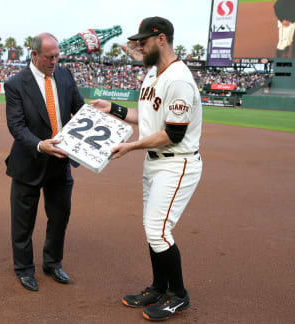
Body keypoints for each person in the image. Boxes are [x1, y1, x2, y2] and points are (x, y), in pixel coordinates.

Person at [91, 17, 202, 321]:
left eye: (144, 41)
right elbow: (148, 119)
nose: (139, 46)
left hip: (176, 162)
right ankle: (158, 287)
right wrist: (111, 109)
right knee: (153, 230)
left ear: (162, 39)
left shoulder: (178, 78)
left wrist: (130, 147)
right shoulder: (154, 74)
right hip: (155, 163)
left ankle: (179, 296)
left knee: (158, 230)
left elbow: (173, 134)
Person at [4, 33, 85, 292]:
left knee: (60, 217)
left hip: (60, 161)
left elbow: (80, 111)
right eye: (49, 57)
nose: (54, 61)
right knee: (23, 221)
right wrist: (41, 145)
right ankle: (25, 269)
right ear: (35, 55)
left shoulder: (64, 75)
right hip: (30, 160)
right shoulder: (16, 84)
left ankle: (52, 263)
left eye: (57, 56)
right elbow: (16, 126)